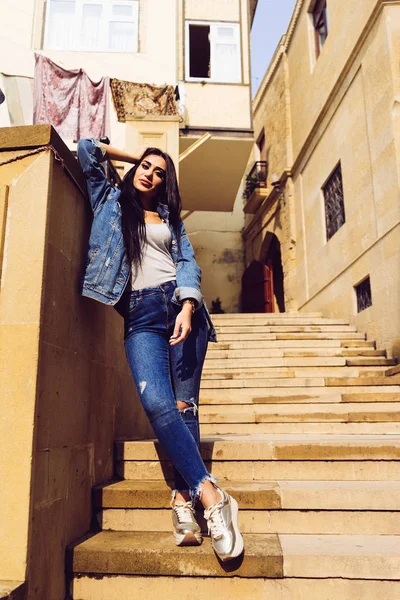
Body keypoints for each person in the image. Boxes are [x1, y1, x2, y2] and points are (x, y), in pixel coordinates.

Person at [77, 138, 244, 562]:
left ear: (166, 184)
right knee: (156, 403)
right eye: (145, 168)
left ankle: (182, 500)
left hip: (179, 306)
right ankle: (212, 495)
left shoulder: (170, 217)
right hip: (139, 315)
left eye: (159, 172)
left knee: (184, 407)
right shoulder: (110, 199)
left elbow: (187, 261)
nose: (149, 174)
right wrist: (144, 156)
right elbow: (85, 150)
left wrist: (188, 305)